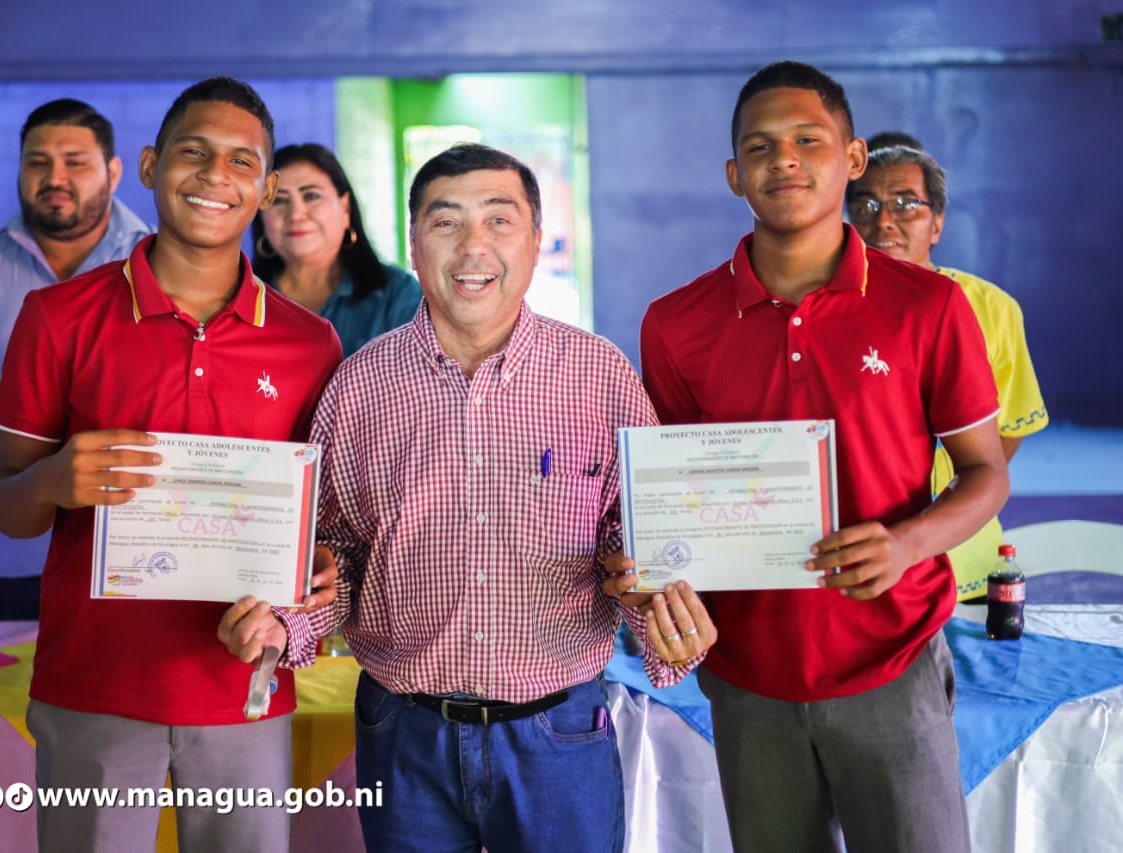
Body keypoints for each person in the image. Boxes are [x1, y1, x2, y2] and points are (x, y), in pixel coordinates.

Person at [220, 143, 702, 853]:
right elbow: (337, 556)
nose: (473, 246)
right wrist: (285, 623)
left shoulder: (599, 376)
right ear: (414, 244)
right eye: (446, 222)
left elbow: (637, 542)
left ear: (536, 239)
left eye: (499, 220)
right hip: (402, 732)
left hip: (558, 733)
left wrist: (661, 611)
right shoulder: (359, 386)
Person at [606, 62, 1009, 853]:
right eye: (760, 146)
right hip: (748, 673)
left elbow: (986, 472)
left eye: (806, 140)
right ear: (734, 175)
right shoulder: (675, 324)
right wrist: (644, 568)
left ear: (852, 158)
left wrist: (906, 544)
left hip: (893, 659)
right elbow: (671, 499)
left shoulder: (929, 305)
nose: (783, 160)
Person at [0, 77, 342, 852]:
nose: (216, 175)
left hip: (244, 684)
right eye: (194, 152)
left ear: (265, 190)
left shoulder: (311, 343)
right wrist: (52, 479)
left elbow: (321, 529)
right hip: (95, 685)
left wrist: (318, 569)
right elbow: (8, 507)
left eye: (242, 160)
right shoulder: (57, 318)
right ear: (149, 166)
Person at [0, 99, 152, 620]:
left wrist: (69, 467)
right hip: (15, 550)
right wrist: (56, 472)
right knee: (13, 674)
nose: (55, 177)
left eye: (75, 162)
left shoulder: (160, 264)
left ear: (113, 172)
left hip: (144, 545)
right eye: (38, 162)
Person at [846, 141, 1048, 600]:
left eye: (905, 204)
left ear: (937, 222)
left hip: (964, 557)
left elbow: (1008, 431)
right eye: (867, 206)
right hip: (860, 561)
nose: (883, 220)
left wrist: (953, 502)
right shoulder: (821, 311)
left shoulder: (992, 308)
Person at [251, 143, 421, 356]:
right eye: (278, 200)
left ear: (344, 208)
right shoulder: (242, 298)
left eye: (311, 196)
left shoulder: (398, 294)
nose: (295, 214)